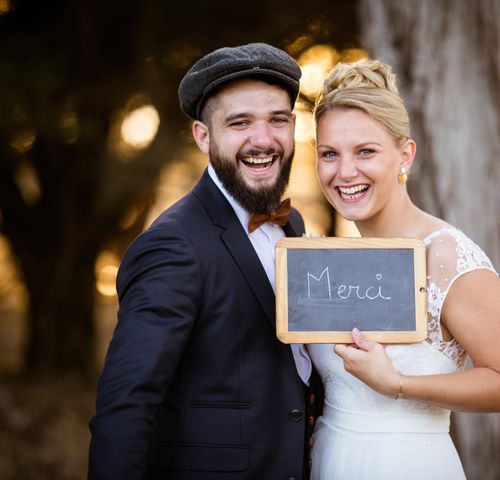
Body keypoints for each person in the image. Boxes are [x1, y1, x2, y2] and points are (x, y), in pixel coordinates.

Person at [88, 43, 320, 480]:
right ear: (203, 136)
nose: (263, 140)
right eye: (240, 123)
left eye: (278, 120)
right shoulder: (173, 247)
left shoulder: (293, 227)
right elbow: (126, 407)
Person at [307, 59, 500, 479]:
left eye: (366, 151)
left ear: (404, 154)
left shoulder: (446, 256)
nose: (345, 171)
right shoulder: (328, 264)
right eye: (329, 154)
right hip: (330, 460)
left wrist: (397, 385)